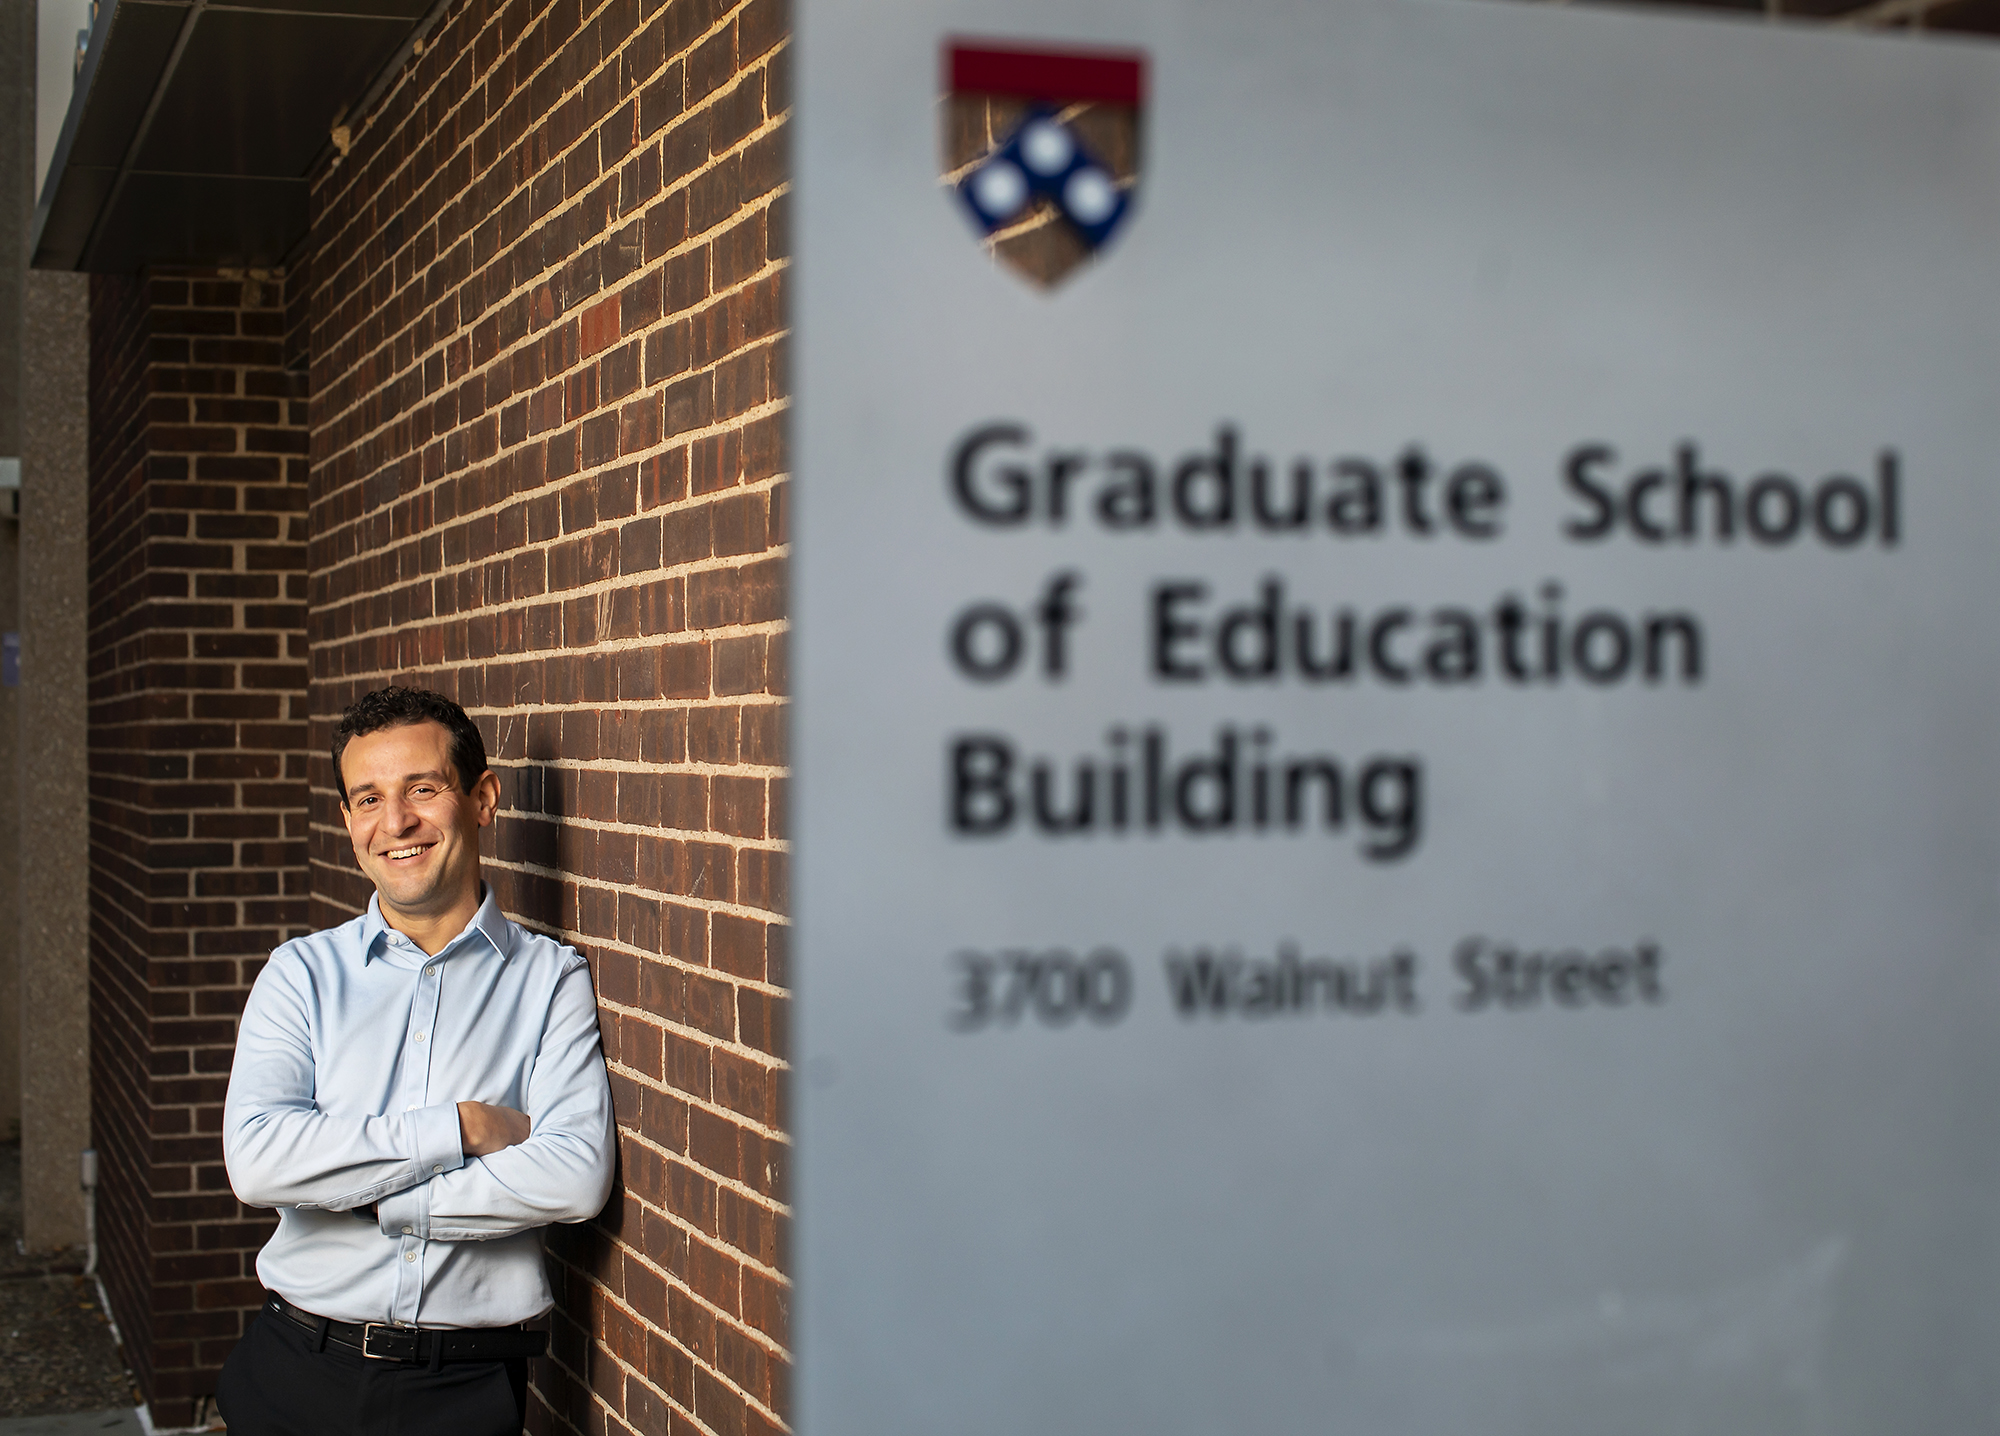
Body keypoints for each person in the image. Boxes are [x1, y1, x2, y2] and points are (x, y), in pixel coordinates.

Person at [218, 687, 615, 1435]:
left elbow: (573, 1174)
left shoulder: (550, 980)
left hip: (461, 1392)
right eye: (367, 798)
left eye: (422, 790)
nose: (394, 823)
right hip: (294, 1370)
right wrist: (458, 1130)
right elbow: (261, 1162)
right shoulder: (300, 975)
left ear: (483, 799)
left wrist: (378, 1200)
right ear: (347, 820)